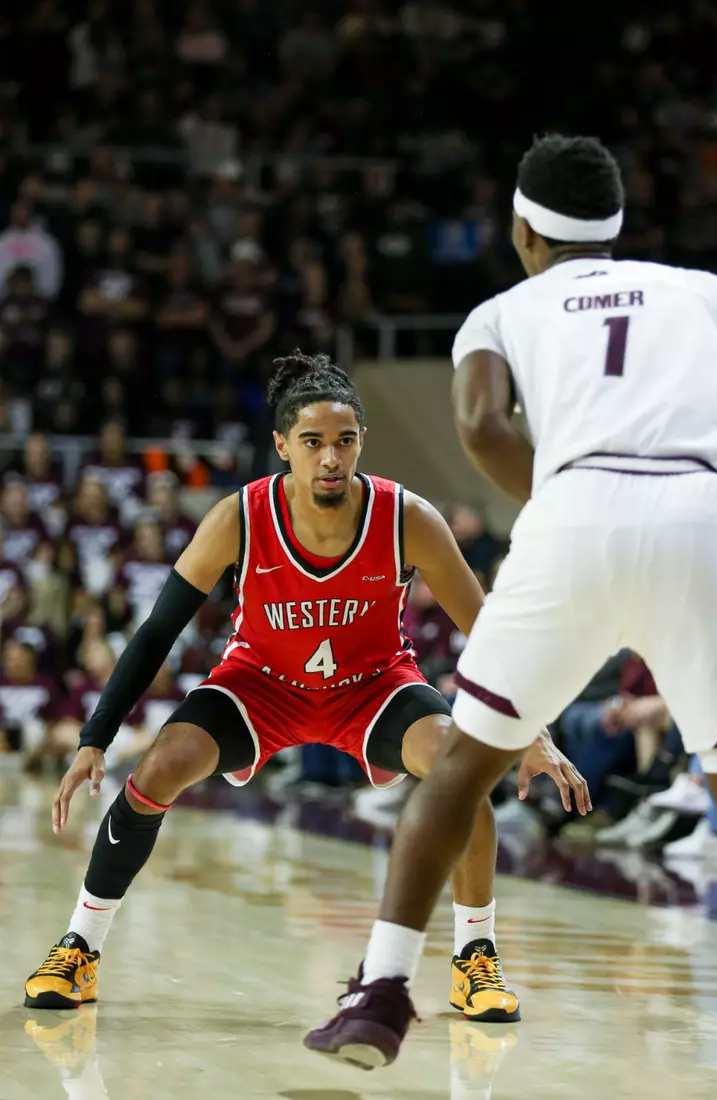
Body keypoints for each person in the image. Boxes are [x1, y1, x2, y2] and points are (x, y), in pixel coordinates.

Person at [304, 133, 717, 1072]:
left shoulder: (503, 307)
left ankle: (380, 995)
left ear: (521, 230)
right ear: (616, 224)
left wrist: (571, 503)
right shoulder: (705, 292)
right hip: (704, 511)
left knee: (459, 769)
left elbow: (476, 424)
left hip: (574, 506)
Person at [24, 350, 589, 1012]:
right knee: (160, 766)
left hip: (373, 687)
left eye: (344, 442)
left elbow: (488, 634)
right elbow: (155, 633)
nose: (330, 458)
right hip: (260, 685)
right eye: (313, 442)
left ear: (361, 444)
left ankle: (476, 960)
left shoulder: (407, 517)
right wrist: (96, 736)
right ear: (282, 446)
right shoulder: (239, 516)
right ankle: (80, 948)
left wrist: (533, 733)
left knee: (456, 768)